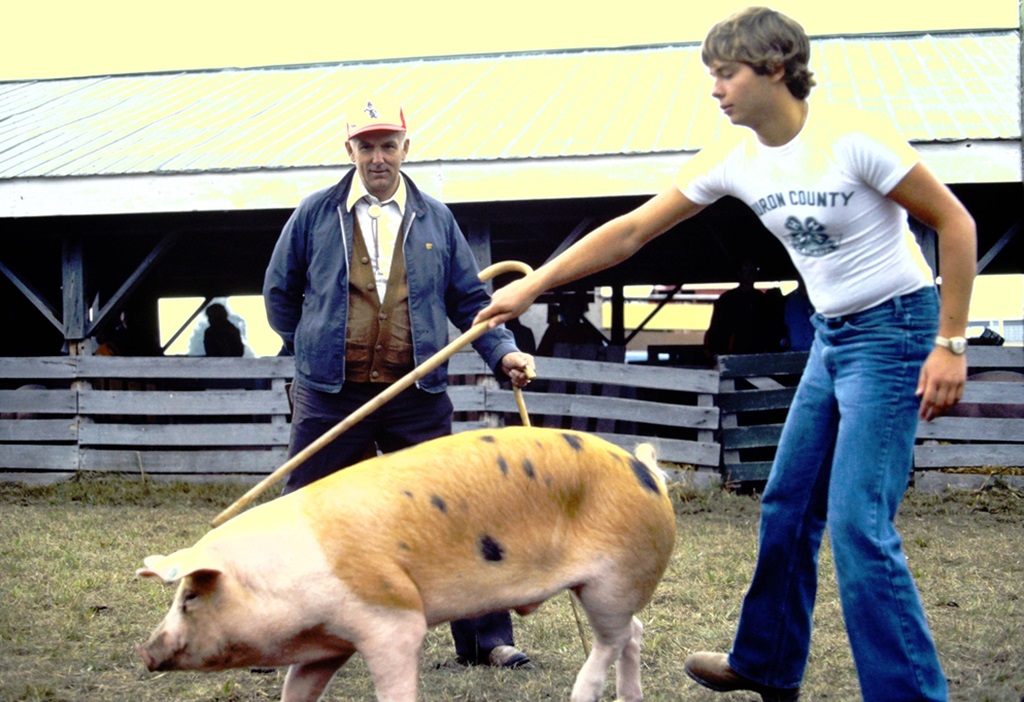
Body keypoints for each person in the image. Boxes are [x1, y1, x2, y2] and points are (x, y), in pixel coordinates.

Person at [474, 7, 975, 701]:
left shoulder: (852, 136)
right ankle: (766, 662)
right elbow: (631, 231)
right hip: (833, 337)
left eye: (726, 73)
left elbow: (955, 222)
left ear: (774, 67)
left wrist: (950, 343)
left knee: (859, 521)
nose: (715, 89)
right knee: (787, 503)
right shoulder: (737, 158)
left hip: (896, 329)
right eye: (712, 75)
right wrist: (535, 283)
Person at [263, 98, 535, 670]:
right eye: (366, 146)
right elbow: (280, 298)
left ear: (407, 148)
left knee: (454, 509)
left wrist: (503, 353)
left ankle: (489, 641)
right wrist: (317, 346)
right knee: (302, 513)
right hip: (332, 396)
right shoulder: (315, 214)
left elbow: (470, 302)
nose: (378, 157)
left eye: (389, 145)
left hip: (417, 394)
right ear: (350, 151)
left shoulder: (437, 218)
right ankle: (276, 632)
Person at [703, 256, 787, 358]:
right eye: (747, 268)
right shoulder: (727, 300)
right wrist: (717, 354)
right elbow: (717, 331)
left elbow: (769, 329)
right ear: (739, 273)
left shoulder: (762, 300)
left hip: (759, 355)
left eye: (754, 269)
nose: (751, 272)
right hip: (734, 355)